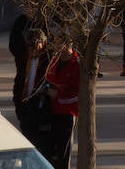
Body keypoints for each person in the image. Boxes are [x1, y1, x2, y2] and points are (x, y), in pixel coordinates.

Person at [43, 36, 80, 169]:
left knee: (63, 152)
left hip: (67, 113)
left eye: (58, 42)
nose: (55, 45)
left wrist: (58, 96)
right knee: (50, 150)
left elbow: (78, 93)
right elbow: (47, 79)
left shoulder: (77, 64)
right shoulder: (54, 60)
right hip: (51, 110)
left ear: (66, 45)